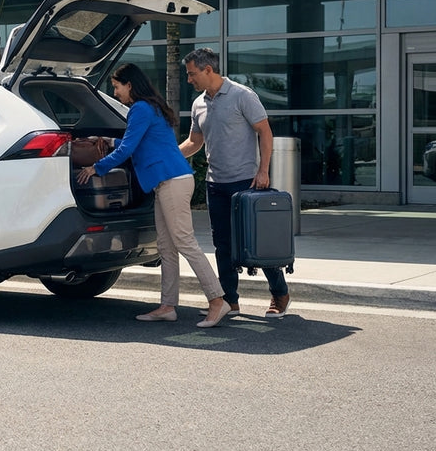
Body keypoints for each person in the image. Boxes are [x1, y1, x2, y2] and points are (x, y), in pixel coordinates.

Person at [77, 63, 229, 327]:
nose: (115, 93)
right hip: (166, 181)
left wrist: (95, 168)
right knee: (166, 247)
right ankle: (167, 306)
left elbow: (127, 149)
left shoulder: (140, 108)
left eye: (116, 86)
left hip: (172, 180)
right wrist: (106, 139)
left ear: (129, 84)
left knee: (184, 242)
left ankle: (217, 301)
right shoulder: (151, 108)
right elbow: (139, 141)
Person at [179, 47, 291, 318]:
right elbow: (195, 142)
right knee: (223, 245)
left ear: (208, 70)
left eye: (192, 74)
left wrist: (263, 171)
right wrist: (166, 156)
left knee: (256, 241)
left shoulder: (243, 96)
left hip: (246, 183)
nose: (189, 79)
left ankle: (280, 293)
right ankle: (230, 300)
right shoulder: (198, 104)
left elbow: (265, 131)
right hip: (215, 184)